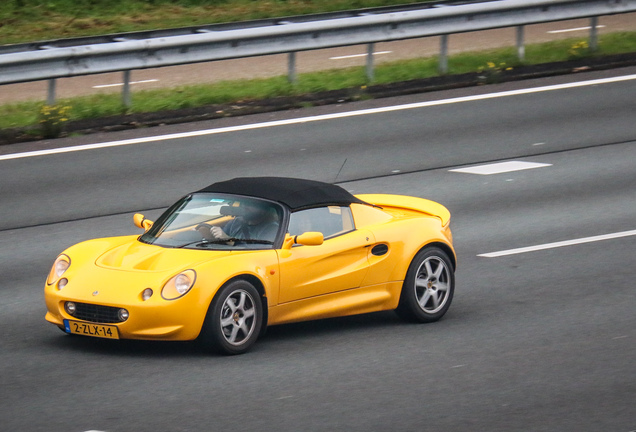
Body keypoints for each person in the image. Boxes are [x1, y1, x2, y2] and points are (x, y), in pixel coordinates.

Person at [197, 200, 279, 243]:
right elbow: (221, 239)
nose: (245, 207)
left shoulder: (271, 229)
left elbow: (259, 253)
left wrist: (229, 240)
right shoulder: (236, 222)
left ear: (263, 210)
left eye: (251, 204)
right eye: (243, 204)